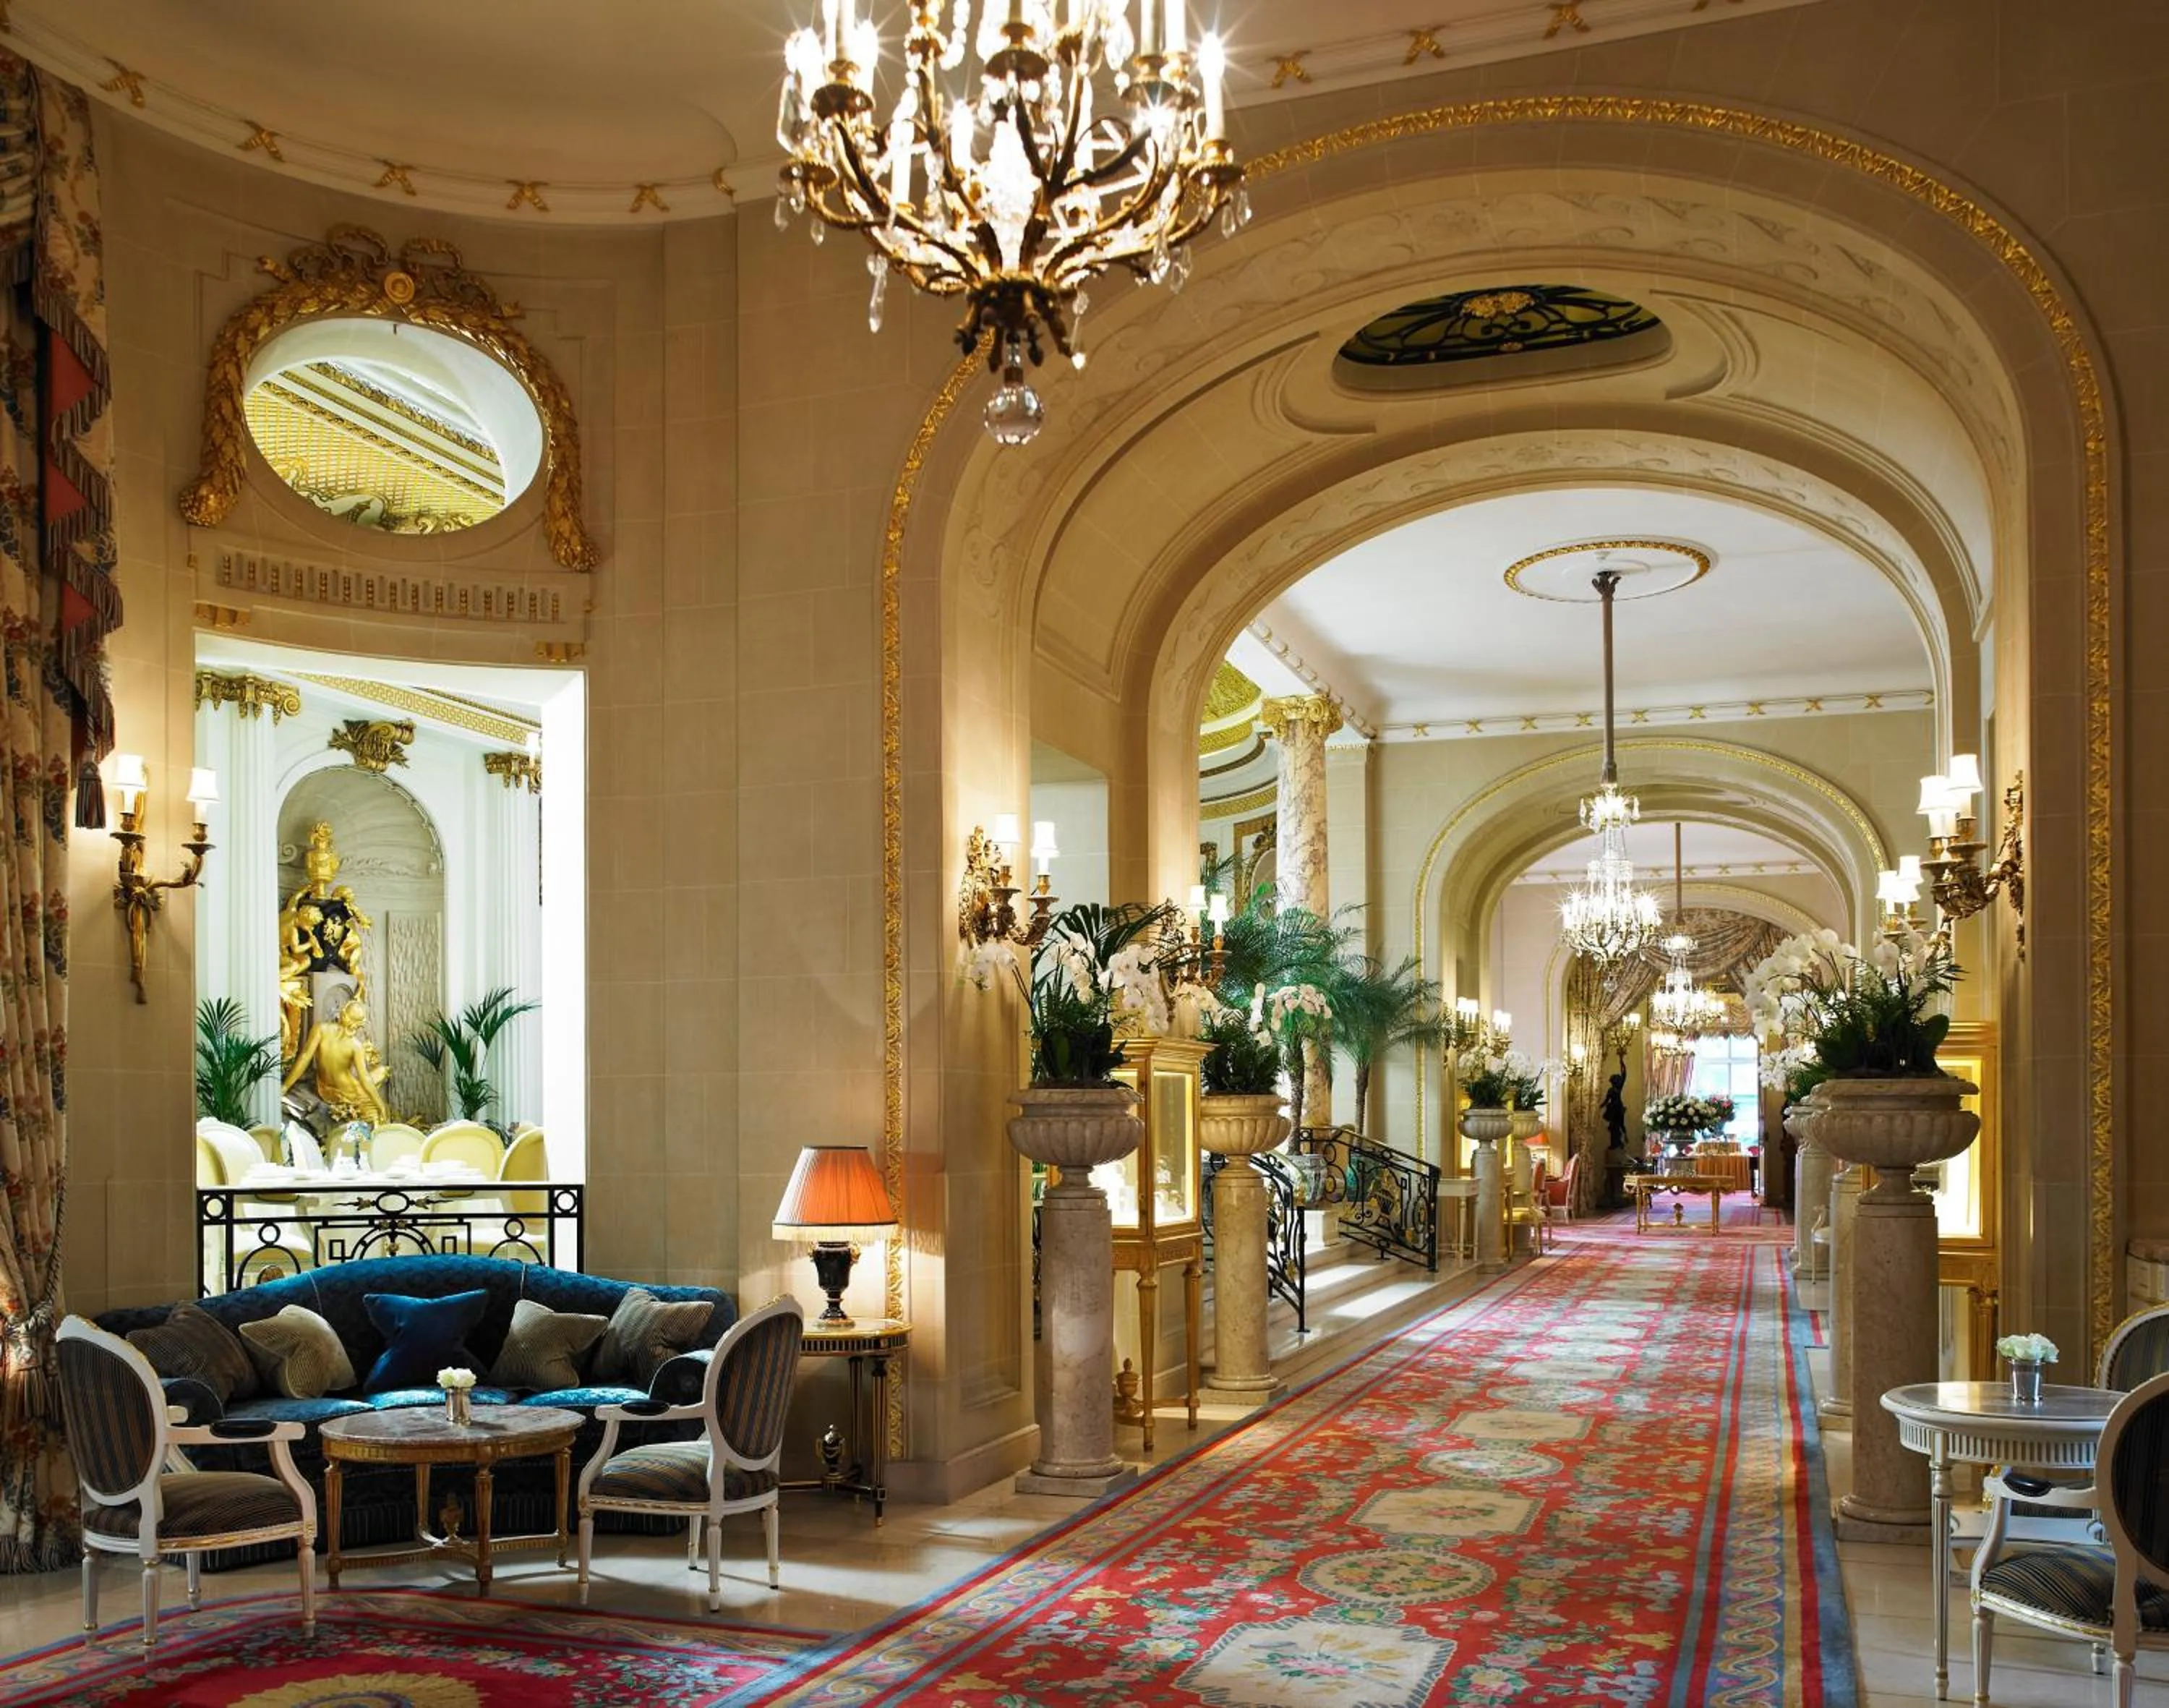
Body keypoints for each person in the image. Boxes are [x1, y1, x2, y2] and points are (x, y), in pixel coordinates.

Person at [281, 997, 390, 1124]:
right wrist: (380, 1105)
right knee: (382, 1111)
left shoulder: (320, 1029)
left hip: (325, 1091)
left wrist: (285, 1087)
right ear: (360, 1024)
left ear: (343, 1014)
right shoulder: (356, 1046)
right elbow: (365, 1078)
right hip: (351, 1094)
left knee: (381, 1072)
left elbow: (305, 1057)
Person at [1601, 1070, 1627, 1153]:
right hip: (1613, 1109)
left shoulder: (1619, 1089)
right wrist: (1601, 1106)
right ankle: (1615, 1143)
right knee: (1613, 1127)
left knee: (1620, 1124)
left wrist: (1622, 1061)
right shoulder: (1611, 1090)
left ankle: (1620, 1141)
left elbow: (1624, 1076)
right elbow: (1607, 1100)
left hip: (1619, 1108)